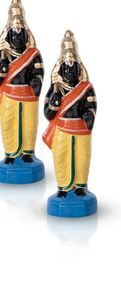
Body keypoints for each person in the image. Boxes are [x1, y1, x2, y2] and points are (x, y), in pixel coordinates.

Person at [0, 0, 44, 163]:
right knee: (8, 124)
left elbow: (38, 73)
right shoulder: (3, 54)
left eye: (21, 33)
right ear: (8, 35)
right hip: (9, 94)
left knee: (29, 125)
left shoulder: (33, 55)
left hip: (28, 95)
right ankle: (10, 153)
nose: (18, 37)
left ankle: (28, 152)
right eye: (14, 33)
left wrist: (35, 82)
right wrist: (1, 72)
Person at [43, 30, 96, 197]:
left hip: (81, 129)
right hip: (62, 128)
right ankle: (63, 187)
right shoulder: (56, 87)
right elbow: (47, 112)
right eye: (67, 66)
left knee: (81, 159)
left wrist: (89, 114)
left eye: (73, 66)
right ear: (61, 68)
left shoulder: (86, 88)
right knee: (61, 157)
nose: (70, 70)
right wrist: (54, 105)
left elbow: (91, 105)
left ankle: (81, 186)